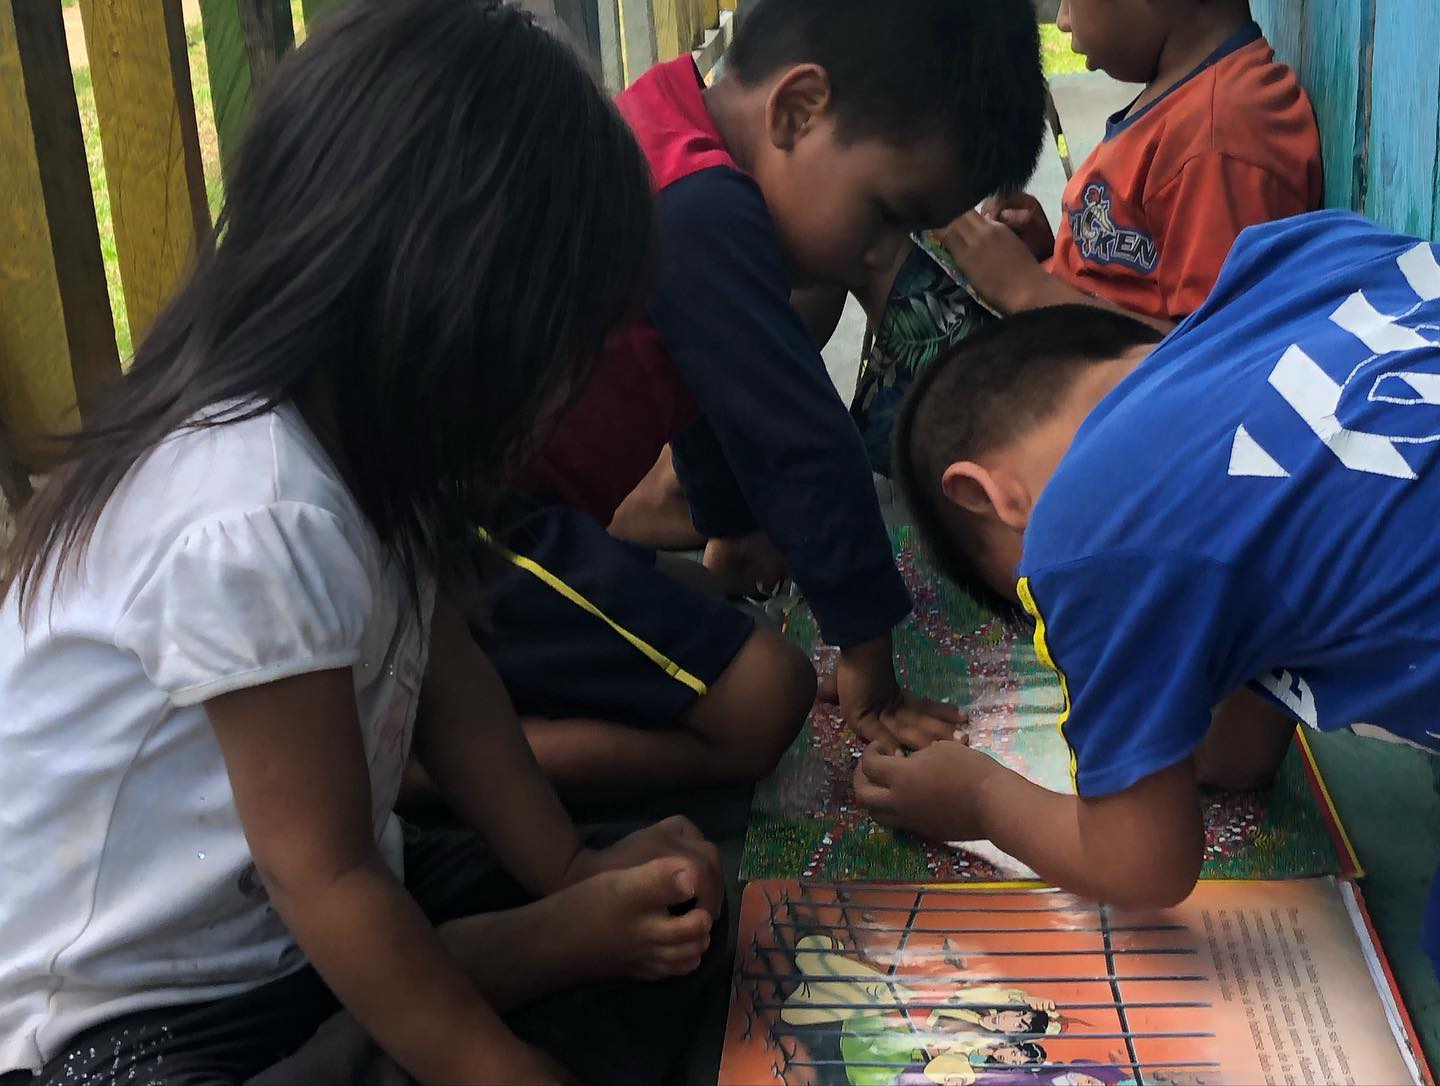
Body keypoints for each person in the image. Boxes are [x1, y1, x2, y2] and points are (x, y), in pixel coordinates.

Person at [0, 4, 727, 1084]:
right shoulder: (256, 511)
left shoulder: (373, 458)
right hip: (128, 1022)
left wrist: (570, 868)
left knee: (684, 932)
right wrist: (505, 1072)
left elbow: (451, 685)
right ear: (449, 310)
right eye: (559, 356)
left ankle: (482, 963)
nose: (565, 400)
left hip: (288, 933)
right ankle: (481, 972)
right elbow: (326, 876)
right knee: (490, 1013)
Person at [487, 0, 1049, 799]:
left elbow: (707, 386)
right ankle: (436, 758)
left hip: (508, 529)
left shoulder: (666, 126)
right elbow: (801, 443)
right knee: (768, 694)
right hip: (479, 547)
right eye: (886, 216)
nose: (879, 255)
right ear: (797, 109)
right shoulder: (703, 207)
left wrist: (731, 528)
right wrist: (869, 662)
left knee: (712, 602)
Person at [861, 210, 1440, 976]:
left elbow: (1141, 862)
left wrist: (979, 800)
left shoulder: (1087, 533)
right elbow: (1237, 758)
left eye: (1036, 606)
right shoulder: (1294, 258)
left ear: (985, 495)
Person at [845, 0, 1323, 478]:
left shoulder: (1222, 135)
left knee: (868, 221)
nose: (1063, 21)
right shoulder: (1187, 98)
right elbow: (1134, 276)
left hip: (1082, 414)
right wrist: (1047, 253)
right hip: (1065, 352)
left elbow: (1218, 362)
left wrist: (1028, 291)